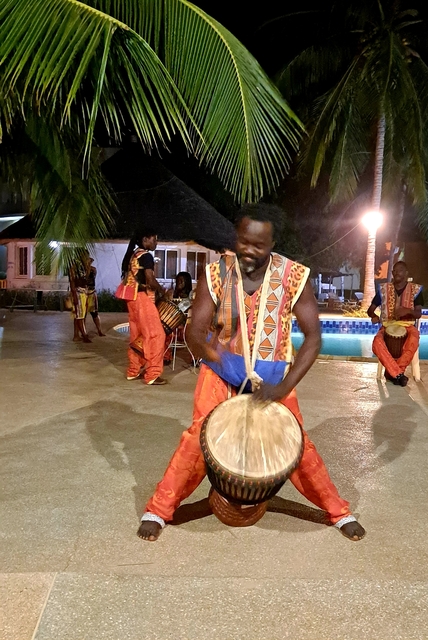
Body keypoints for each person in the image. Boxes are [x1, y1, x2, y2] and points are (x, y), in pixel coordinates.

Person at [137, 204, 366, 542]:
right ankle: (159, 509)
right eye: (244, 241)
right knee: (198, 439)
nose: (249, 250)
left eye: (259, 245)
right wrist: (219, 357)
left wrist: (284, 385)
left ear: (273, 243)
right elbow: (194, 331)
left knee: (297, 443)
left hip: (273, 378)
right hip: (220, 374)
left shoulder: (294, 277)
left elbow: (314, 337)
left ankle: (338, 511)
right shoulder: (216, 274)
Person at [121, 228, 168, 385]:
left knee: (137, 336)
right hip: (142, 298)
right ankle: (153, 374)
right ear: (145, 239)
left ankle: (133, 370)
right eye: (154, 239)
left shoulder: (134, 254)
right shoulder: (146, 256)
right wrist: (163, 291)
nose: (156, 242)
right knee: (156, 335)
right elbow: (149, 279)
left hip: (132, 299)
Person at [367, 261, 423, 386]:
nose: (397, 272)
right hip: (387, 326)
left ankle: (392, 372)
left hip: (408, 326)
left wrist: (407, 311)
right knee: (376, 343)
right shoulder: (384, 289)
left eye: (401, 270)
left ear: (406, 273)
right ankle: (398, 374)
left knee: (413, 340)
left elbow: (418, 313)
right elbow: (370, 309)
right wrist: (373, 316)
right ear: (392, 273)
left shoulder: (415, 290)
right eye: (395, 270)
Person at [69, 252, 92, 343]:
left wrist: (88, 266)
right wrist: (74, 294)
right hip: (78, 292)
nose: (87, 258)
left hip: (83, 292)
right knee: (79, 315)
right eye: (85, 256)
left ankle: (77, 335)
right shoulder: (74, 267)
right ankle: (84, 335)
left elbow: (86, 277)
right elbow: (72, 281)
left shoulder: (82, 267)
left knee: (80, 315)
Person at [85, 256, 106, 337]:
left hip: (91, 291)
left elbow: (91, 276)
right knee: (83, 314)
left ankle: (99, 330)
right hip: (84, 293)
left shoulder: (93, 269)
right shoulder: (82, 271)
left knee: (95, 313)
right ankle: (84, 332)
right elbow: (85, 278)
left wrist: (88, 268)